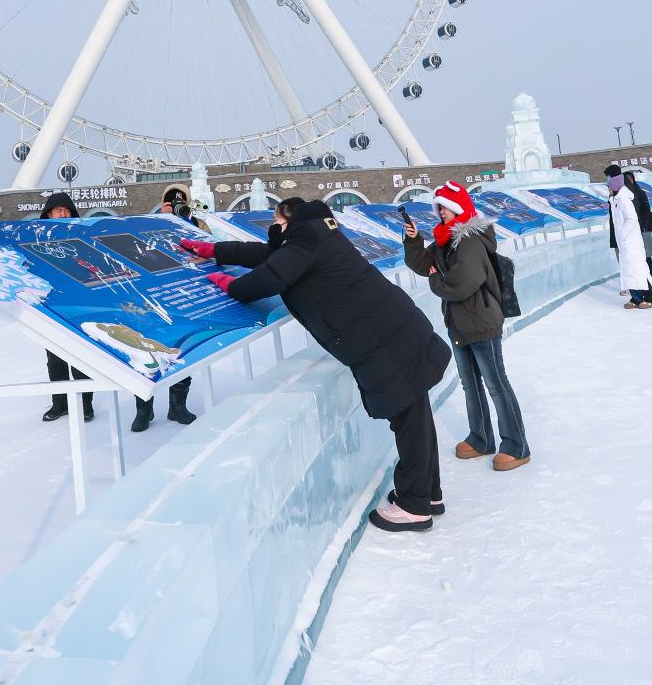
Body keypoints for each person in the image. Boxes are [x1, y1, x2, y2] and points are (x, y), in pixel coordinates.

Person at [182, 198, 451, 534]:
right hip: (395, 330)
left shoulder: (305, 241)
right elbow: (266, 256)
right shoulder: (316, 236)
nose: (272, 227)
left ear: (288, 219)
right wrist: (214, 251)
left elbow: (266, 279)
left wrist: (231, 286)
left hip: (385, 340)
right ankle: (429, 496)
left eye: (275, 220)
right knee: (416, 415)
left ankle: (414, 506)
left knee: (409, 420)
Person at [402, 181, 531, 471]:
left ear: (458, 208)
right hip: (459, 322)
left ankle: (516, 445)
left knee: (496, 384)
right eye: (438, 208)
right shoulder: (445, 240)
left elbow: (462, 283)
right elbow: (424, 264)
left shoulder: (470, 240)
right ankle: (481, 438)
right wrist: (412, 240)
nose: (441, 213)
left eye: (445, 207)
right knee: (470, 384)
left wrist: (437, 281)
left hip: (481, 321)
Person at [131, 185, 197, 433]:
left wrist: (187, 221)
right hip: (152, 301)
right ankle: (143, 409)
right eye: (171, 203)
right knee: (145, 353)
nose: (176, 206)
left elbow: (211, 248)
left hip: (186, 298)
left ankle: (178, 406)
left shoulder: (197, 224)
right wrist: (162, 218)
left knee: (181, 351)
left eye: (181, 203)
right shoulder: (148, 224)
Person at [37, 192, 95, 423]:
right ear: (48, 214)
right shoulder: (36, 239)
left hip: (78, 304)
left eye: (66, 210)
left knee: (81, 357)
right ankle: (59, 404)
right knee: (55, 358)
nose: (62, 214)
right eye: (57, 211)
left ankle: (85, 405)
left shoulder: (80, 238)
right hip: (51, 304)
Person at [605, 165, 652, 309]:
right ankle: (636, 297)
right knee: (628, 270)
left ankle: (650, 297)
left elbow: (632, 219)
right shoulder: (614, 200)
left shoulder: (624, 199)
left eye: (609, 185)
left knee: (638, 268)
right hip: (624, 242)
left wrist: (622, 234)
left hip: (631, 240)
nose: (607, 188)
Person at [610, 169, 652, 281]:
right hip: (630, 232)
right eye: (627, 179)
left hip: (643, 229)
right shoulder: (619, 197)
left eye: (631, 179)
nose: (629, 181)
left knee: (646, 255)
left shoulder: (639, 193)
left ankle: (649, 278)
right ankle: (639, 281)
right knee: (633, 258)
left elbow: (645, 211)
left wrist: (641, 227)